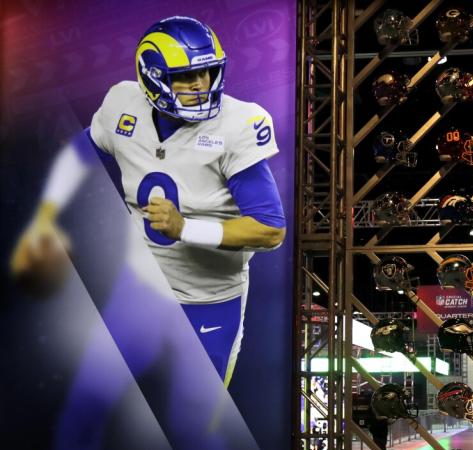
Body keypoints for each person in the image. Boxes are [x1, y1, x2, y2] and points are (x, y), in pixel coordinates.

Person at [10, 16, 286, 384]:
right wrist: (45, 218)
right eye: (186, 77)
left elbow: (269, 230)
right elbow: (79, 152)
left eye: (207, 73)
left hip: (208, 302)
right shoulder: (122, 103)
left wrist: (185, 228)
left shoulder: (237, 124)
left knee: (196, 422)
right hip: (137, 292)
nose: (200, 85)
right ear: (152, 77)